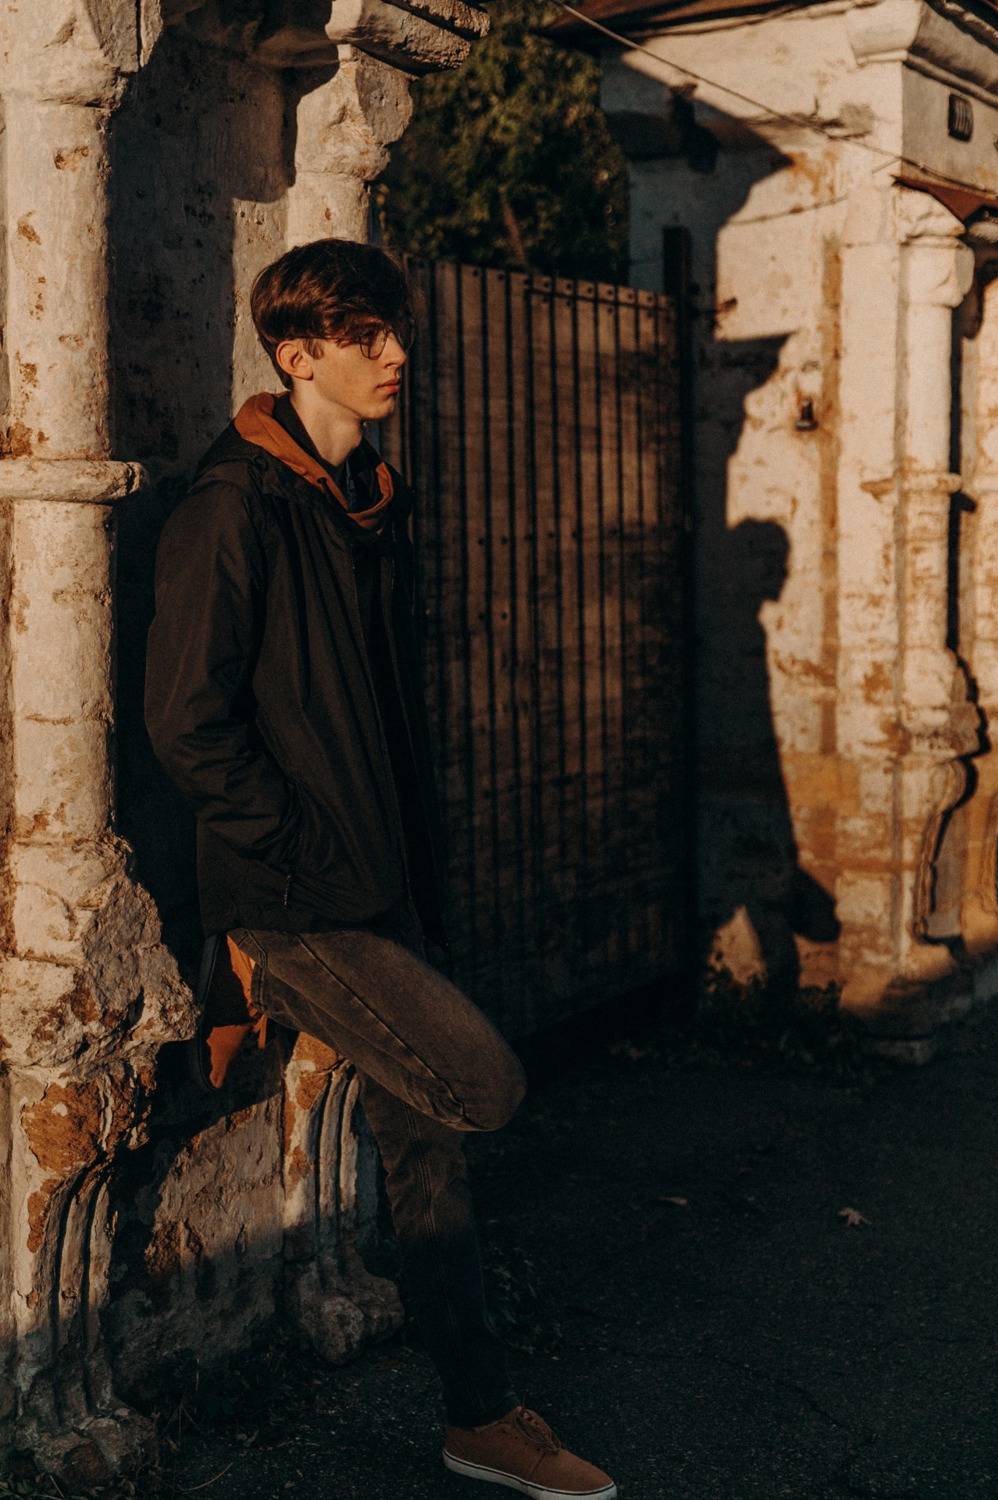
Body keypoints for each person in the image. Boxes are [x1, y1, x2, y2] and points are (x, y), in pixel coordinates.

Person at [144, 236, 617, 1500]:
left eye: (393, 329)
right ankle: (253, 977)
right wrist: (290, 857)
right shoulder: (233, 507)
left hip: (383, 877)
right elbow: (185, 721)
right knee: (482, 1085)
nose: (397, 353)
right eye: (365, 336)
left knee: (428, 1147)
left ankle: (480, 1417)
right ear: (298, 356)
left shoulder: (362, 500)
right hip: (301, 900)